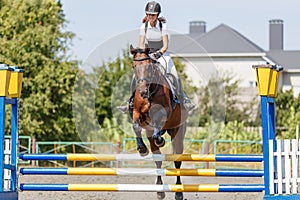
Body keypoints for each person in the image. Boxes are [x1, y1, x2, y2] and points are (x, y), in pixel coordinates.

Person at [118, 1, 195, 113]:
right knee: (135, 77)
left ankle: (185, 100)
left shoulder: (163, 26)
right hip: (148, 55)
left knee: (174, 73)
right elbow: (141, 45)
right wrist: (144, 56)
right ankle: (129, 101)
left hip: (162, 54)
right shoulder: (143, 27)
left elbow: (165, 45)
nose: (150, 17)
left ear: (157, 15)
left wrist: (158, 54)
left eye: (153, 15)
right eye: (148, 14)